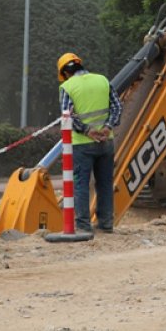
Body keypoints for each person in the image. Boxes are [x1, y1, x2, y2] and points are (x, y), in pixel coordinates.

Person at [57, 52, 122, 236]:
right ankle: (106, 224)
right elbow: (117, 106)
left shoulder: (67, 87)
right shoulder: (102, 80)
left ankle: (84, 226)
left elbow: (67, 115)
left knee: (81, 185)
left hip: (81, 145)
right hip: (106, 141)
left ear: (65, 73)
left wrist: (87, 131)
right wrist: (107, 127)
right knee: (105, 183)